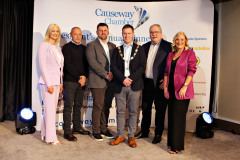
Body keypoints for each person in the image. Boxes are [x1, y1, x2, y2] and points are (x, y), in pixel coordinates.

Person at [110, 24, 146, 148]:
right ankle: (120, 135)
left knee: (133, 112)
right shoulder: (116, 49)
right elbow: (113, 66)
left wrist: (130, 79)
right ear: (122, 34)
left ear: (133, 34)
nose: (127, 35)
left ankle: (131, 136)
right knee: (120, 111)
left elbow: (142, 66)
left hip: (134, 85)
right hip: (120, 84)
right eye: (124, 33)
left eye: (129, 33)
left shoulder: (140, 49)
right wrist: (122, 79)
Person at [135, 24, 172, 144]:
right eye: (151, 32)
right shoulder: (144, 47)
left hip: (161, 84)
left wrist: (167, 80)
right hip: (147, 83)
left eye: (156, 32)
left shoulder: (168, 46)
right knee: (146, 108)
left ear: (161, 33)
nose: (154, 34)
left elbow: (173, 65)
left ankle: (158, 134)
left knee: (160, 110)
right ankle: (145, 131)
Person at [163, 32, 197, 154]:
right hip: (171, 90)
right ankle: (172, 143)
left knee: (179, 118)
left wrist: (185, 86)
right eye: (177, 39)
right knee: (172, 116)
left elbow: (192, 70)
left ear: (185, 41)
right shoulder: (170, 54)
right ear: (174, 41)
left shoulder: (190, 53)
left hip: (182, 91)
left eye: (182, 39)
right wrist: (166, 88)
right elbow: (166, 72)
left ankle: (176, 146)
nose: (179, 41)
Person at [86, 23, 116, 141]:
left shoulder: (113, 46)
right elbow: (92, 63)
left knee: (106, 106)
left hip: (111, 81)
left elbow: (115, 63)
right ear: (97, 32)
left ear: (108, 32)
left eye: (105, 30)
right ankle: (96, 131)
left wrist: (113, 74)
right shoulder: (91, 45)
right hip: (98, 80)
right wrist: (105, 74)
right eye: (101, 30)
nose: (103, 32)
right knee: (98, 106)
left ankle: (104, 129)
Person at [62, 27, 90, 141]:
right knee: (68, 106)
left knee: (78, 106)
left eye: (79, 34)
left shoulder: (84, 48)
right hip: (70, 81)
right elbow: (67, 65)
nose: (78, 36)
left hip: (82, 82)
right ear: (71, 35)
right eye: (75, 34)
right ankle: (67, 131)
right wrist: (79, 77)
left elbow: (88, 65)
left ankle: (77, 127)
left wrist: (85, 77)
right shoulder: (67, 47)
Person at [38, 24, 64, 145]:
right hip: (48, 83)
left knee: (49, 110)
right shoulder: (44, 45)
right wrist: (49, 84)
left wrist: (61, 83)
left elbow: (60, 68)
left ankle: (44, 133)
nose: (55, 32)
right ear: (49, 32)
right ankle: (51, 138)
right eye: (53, 30)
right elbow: (43, 65)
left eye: (57, 31)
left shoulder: (58, 48)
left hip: (57, 83)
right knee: (50, 111)